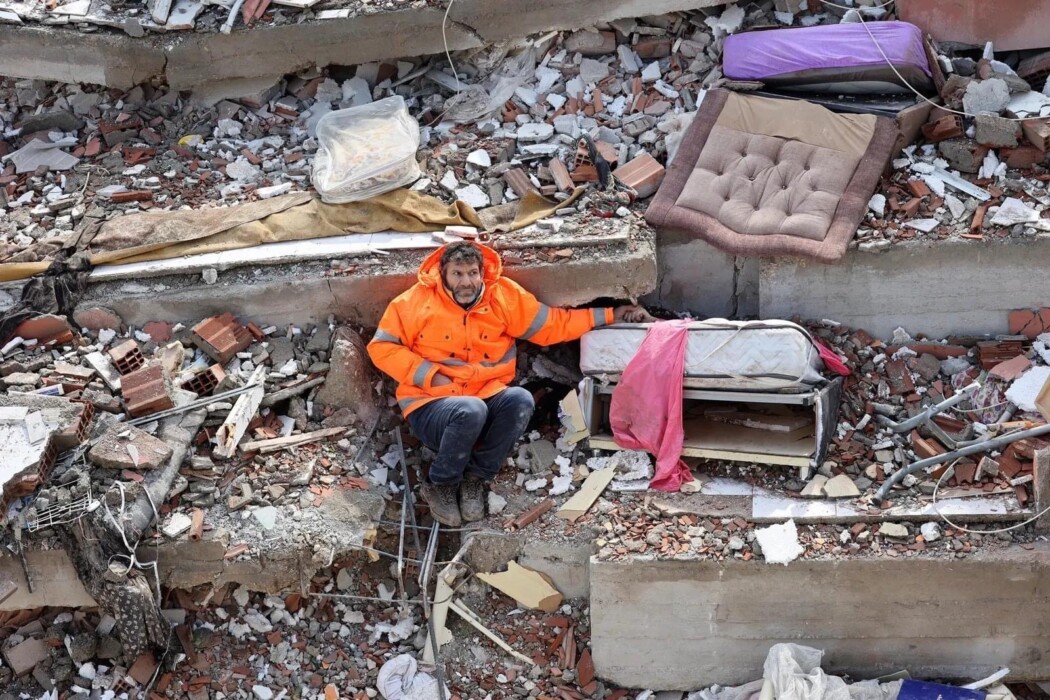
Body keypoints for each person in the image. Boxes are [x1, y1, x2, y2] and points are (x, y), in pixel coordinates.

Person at [367, 241, 653, 526]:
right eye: (457, 274)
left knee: (520, 400)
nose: (466, 282)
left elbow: (553, 325)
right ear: (443, 274)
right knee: (470, 410)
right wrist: (430, 375)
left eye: (472, 273)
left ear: (482, 273)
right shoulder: (414, 301)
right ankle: (441, 484)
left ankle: (475, 480)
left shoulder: (502, 296)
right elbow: (381, 348)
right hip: (431, 405)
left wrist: (612, 315)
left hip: (484, 398)